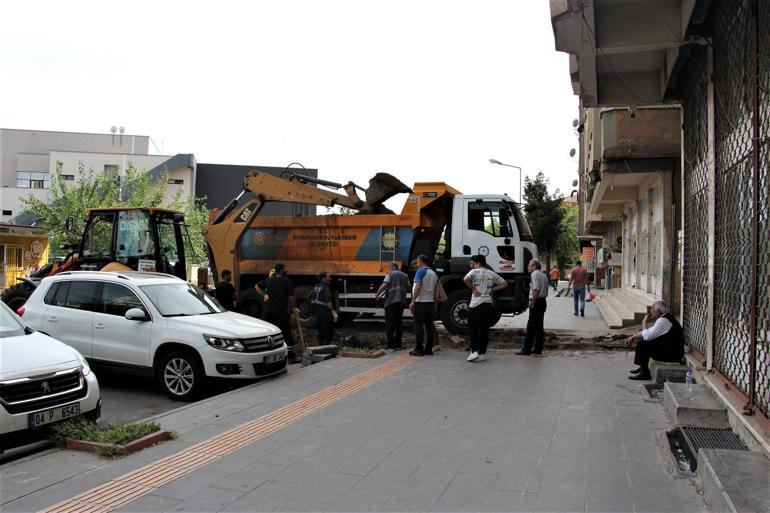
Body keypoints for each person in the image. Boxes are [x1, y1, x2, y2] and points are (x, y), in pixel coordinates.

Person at [625, 300, 685, 381]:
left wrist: (644, 322)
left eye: (652, 309)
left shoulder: (663, 321)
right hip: (672, 351)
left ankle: (645, 373)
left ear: (658, 311)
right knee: (647, 342)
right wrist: (633, 336)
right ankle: (643, 367)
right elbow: (650, 331)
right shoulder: (665, 317)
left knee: (643, 344)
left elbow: (647, 336)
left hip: (672, 355)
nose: (651, 311)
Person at [463, 255, 507, 362]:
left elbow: (465, 279)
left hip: (475, 304)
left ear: (477, 263)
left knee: (472, 328)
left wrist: (474, 289)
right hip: (488, 304)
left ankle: (474, 352)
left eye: (472, 263)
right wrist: (493, 290)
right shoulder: (491, 273)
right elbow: (504, 283)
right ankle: (482, 353)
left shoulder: (474, 271)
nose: (471, 265)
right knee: (484, 329)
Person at [256, 263, 296, 359]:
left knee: (272, 332)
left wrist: (264, 295)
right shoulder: (286, 281)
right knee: (286, 332)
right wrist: (293, 308)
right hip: (281, 311)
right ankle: (290, 356)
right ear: (281, 270)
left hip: (269, 312)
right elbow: (291, 298)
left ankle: (271, 353)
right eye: (285, 268)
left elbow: (256, 286)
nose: (287, 270)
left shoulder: (269, 280)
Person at [517, 259, 549, 355]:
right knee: (539, 327)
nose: (528, 267)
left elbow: (536, 290)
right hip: (543, 301)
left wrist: (532, 303)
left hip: (537, 301)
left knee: (530, 326)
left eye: (529, 265)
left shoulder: (534, 274)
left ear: (534, 266)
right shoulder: (544, 275)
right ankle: (538, 349)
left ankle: (526, 349)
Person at [376, 262, 410, 350]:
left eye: (389, 267)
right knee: (398, 323)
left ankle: (390, 344)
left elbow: (384, 285)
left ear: (392, 267)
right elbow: (408, 285)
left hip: (391, 302)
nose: (388, 269)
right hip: (401, 302)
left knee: (390, 324)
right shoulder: (405, 275)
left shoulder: (390, 274)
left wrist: (377, 294)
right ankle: (398, 344)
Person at [408, 254, 438, 356]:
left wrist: (413, 301)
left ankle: (419, 349)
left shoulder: (420, 271)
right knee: (429, 326)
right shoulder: (433, 273)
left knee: (418, 326)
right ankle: (428, 349)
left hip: (420, 303)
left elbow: (418, 287)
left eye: (417, 262)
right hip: (430, 303)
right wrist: (435, 303)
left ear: (421, 262)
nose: (416, 264)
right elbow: (436, 290)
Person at [309, 271, 337, 345]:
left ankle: (320, 346)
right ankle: (326, 347)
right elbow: (328, 302)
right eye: (328, 277)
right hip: (325, 313)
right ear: (323, 278)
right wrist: (334, 313)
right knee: (329, 332)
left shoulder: (316, 287)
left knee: (321, 331)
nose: (330, 278)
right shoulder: (326, 288)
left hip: (317, 313)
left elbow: (310, 297)